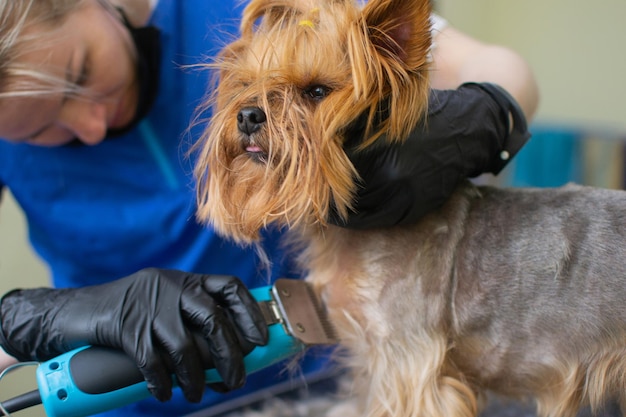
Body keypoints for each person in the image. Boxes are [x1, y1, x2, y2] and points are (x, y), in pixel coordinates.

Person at [0, 1, 539, 416]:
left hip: (343, 376)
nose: (92, 126)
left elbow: (501, 67)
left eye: (80, 73)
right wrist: (39, 320)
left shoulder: (261, 7)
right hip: (128, 396)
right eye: (40, 131)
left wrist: (482, 113)